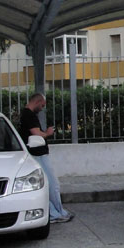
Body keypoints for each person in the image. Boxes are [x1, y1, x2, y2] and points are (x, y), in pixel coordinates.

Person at [20, 93, 74, 223]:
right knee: (52, 184)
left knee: (48, 184)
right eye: (42, 105)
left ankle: (57, 212)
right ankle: (56, 213)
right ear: (38, 102)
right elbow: (36, 134)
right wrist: (48, 133)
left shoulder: (25, 114)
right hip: (38, 154)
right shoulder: (29, 115)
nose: (43, 108)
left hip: (35, 154)